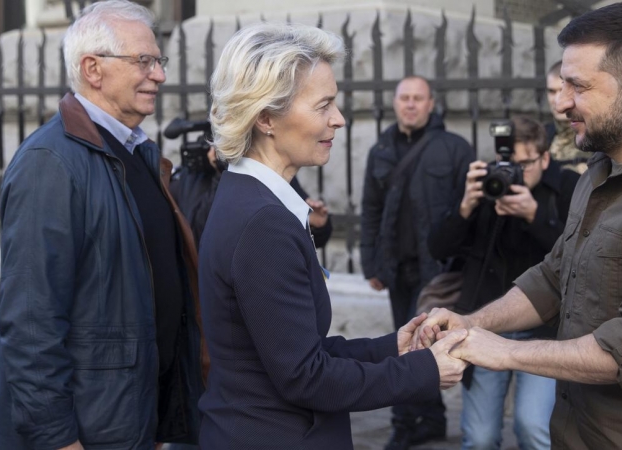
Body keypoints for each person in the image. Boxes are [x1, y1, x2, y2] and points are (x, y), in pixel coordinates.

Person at [415, 2, 622, 449]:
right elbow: (554, 279)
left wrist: (504, 352)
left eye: (577, 86)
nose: (561, 103)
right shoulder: (598, 173)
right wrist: (471, 323)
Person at [198, 23, 468, 449]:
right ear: (266, 117)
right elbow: (306, 378)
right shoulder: (262, 223)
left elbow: (295, 350)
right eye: (323, 105)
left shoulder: (251, 199)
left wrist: (390, 348)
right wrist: (425, 371)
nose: (338, 120)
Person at [0, 1, 206, 449]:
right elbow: (30, 325)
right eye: (143, 61)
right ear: (93, 69)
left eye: (158, 60)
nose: (159, 74)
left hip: (130, 420)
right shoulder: (49, 163)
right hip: (85, 433)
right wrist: (58, 439)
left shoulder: (137, 153)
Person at [428, 115, 579, 450]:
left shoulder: (566, 187)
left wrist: (533, 215)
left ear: (544, 158)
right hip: (486, 323)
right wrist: (467, 204)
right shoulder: (486, 186)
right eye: (508, 163)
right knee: (479, 437)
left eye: (525, 164)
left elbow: (577, 256)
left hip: (544, 328)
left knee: (533, 428)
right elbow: (438, 248)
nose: (515, 173)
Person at [360, 75, 474, 449]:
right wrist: (371, 263)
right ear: (395, 102)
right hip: (396, 269)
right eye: (404, 97)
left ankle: (410, 423)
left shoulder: (455, 148)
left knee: (421, 349)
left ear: (431, 104)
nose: (410, 104)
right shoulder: (381, 149)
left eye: (418, 98)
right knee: (404, 346)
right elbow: (371, 210)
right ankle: (422, 421)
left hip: (436, 273)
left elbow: (469, 214)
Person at [170, 146, 332, 247]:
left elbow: (302, 236)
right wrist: (222, 173)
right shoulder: (193, 176)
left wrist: (315, 225)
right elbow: (199, 237)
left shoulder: (272, 170)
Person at [545, 61, 587, 174]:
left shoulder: (594, 137)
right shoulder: (540, 136)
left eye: (562, 90)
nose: (557, 99)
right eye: (551, 91)